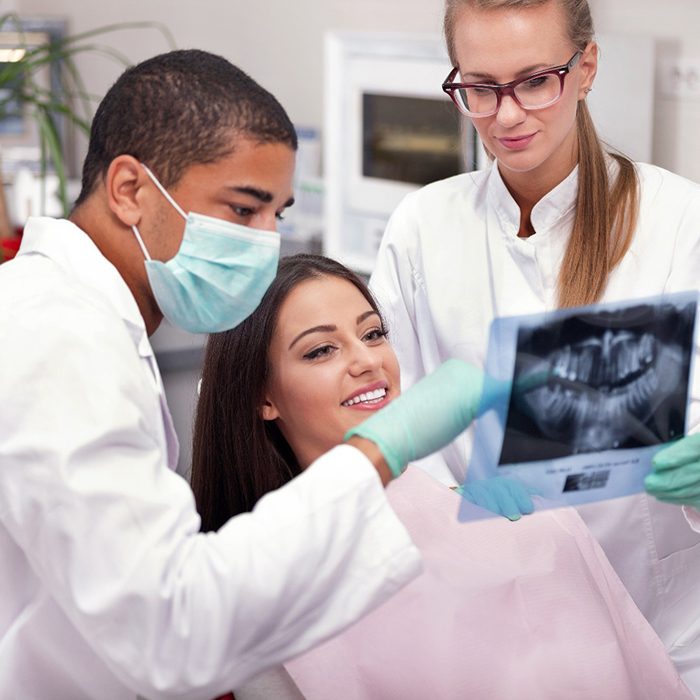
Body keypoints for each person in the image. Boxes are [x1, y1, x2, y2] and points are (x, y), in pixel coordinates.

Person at [0, 49, 497, 699]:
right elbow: (172, 631)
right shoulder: (56, 335)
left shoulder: (80, 324)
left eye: (278, 215)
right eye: (242, 210)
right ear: (130, 190)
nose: (265, 243)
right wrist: (381, 447)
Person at [369, 0, 700, 692]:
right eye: (480, 88)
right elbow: (390, 420)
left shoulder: (680, 223)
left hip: (660, 627)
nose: (507, 115)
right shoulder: (423, 228)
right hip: (490, 632)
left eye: (534, 81)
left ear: (587, 68)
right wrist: (444, 496)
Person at [191, 253, 692, 699]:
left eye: (373, 334)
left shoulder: (500, 517)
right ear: (263, 397)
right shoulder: (257, 591)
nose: (368, 361)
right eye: (321, 350)